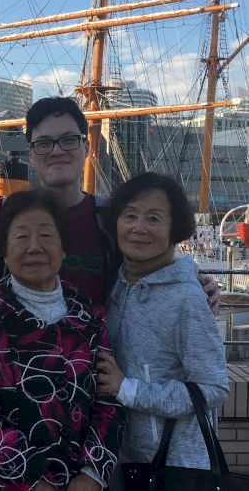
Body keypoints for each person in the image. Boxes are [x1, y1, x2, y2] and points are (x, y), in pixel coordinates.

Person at [0, 96, 219, 312]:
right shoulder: (3, 217)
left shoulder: (112, 218)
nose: (56, 151)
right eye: (43, 143)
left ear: (86, 147)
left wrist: (197, 284)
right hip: (21, 364)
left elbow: (152, 270)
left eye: (68, 140)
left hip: (99, 363)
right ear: (30, 154)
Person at [0, 189, 126, 491]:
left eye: (47, 236)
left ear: (63, 250)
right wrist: (30, 478)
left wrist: (93, 474)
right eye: (21, 237)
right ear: (4, 251)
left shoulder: (88, 317)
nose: (34, 247)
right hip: (2, 483)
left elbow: (108, 402)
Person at [96, 173, 229, 490]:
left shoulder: (187, 298)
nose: (138, 227)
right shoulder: (118, 283)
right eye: (129, 215)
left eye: (153, 218)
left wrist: (127, 389)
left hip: (176, 468)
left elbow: (213, 388)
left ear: (174, 228)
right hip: (127, 460)